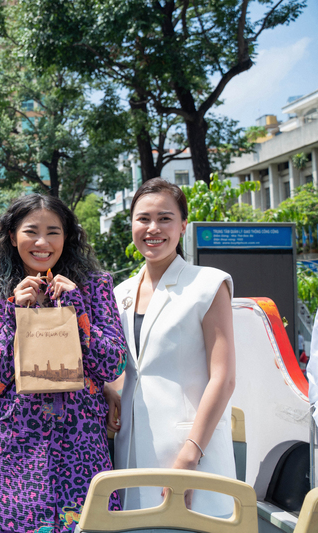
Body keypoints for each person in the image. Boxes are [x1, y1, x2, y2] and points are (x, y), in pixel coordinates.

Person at [0, 194, 127, 533]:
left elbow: (112, 365)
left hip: (80, 450)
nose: (42, 242)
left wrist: (77, 312)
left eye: (53, 232)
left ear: (67, 237)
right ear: (12, 237)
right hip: (14, 456)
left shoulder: (94, 288)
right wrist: (16, 316)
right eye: (31, 231)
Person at [105, 178, 237, 515]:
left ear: (183, 226)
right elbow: (126, 368)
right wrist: (111, 392)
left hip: (191, 451)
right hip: (131, 450)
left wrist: (190, 454)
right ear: (131, 224)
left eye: (165, 218)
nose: (153, 228)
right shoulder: (118, 292)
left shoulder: (208, 284)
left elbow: (223, 378)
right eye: (143, 218)